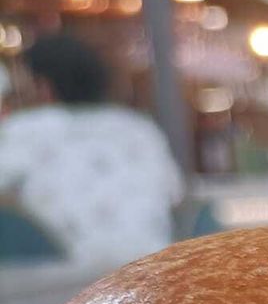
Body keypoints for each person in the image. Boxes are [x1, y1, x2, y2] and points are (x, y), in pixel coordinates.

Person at [0, 33, 183, 266]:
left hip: (64, 288)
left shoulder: (25, 129)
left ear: (43, 86)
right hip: (149, 275)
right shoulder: (139, 128)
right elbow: (174, 195)